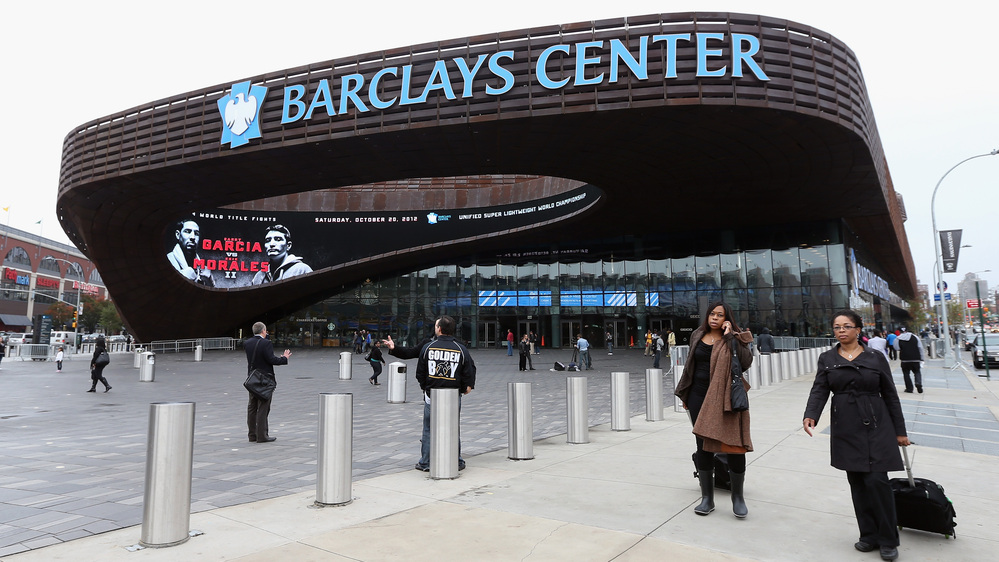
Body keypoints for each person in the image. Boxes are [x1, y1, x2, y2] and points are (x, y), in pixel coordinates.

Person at [803, 309, 909, 562]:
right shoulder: (827, 358)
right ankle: (869, 535)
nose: (841, 330)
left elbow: (891, 394)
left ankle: (888, 539)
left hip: (877, 423)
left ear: (858, 329)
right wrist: (811, 414)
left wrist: (900, 431)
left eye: (847, 326)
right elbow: (820, 390)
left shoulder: (875, 357)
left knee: (877, 482)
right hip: (845, 425)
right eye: (837, 326)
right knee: (858, 483)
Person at [674, 301, 753, 518]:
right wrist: (686, 393)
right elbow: (691, 365)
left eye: (720, 315)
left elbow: (746, 363)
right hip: (698, 396)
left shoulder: (733, 337)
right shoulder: (698, 335)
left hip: (726, 397)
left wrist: (731, 337)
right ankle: (707, 498)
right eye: (712, 314)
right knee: (703, 446)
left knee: (733, 445)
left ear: (727, 318)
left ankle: (738, 497)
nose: (715, 318)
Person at [414, 315, 476, 472]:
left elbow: (420, 372)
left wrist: (425, 387)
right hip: (453, 395)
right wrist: (466, 388)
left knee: (428, 429)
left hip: (431, 395)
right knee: (453, 427)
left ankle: (426, 462)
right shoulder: (461, 348)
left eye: (436, 326)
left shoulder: (428, 347)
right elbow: (469, 370)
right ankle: (456, 460)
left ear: (439, 329)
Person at [244, 322, 291, 443]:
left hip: (252, 378)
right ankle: (262, 435)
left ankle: (252, 434)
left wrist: (266, 338)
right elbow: (271, 359)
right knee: (263, 406)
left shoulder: (247, 343)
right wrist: (284, 358)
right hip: (264, 380)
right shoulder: (266, 343)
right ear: (264, 331)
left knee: (252, 407)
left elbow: (258, 349)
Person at [166, 218, 215, 286]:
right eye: (187, 231)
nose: (193, 237)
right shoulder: (168, 260)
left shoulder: (203, 268)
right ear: (178, 235)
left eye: (196, 233)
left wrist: (208, 282)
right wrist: (181, 278)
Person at [893, 326, 924, 393]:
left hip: (905, 359)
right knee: (917, 371)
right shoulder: (915, 337)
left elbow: (896, 348)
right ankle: (918, 383)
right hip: (916, 358)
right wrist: (922, 358)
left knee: (906, 373)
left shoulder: (897, 339)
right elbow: (920, 347)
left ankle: (909, 388)